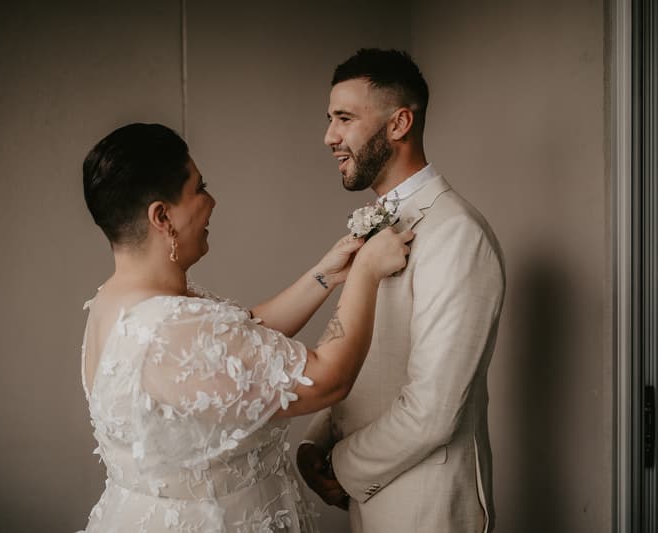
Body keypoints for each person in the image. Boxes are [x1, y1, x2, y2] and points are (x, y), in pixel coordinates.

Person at [77, 122, 413, 532]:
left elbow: (236, 342)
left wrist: (324, 276)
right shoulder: (169, 327)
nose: (212, 201)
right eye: (199, 188)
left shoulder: (120, 302)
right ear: (162, 216)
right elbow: (326, 380)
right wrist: (366, 274)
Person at [297, 49, 506, 533]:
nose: (330, 137)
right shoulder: (379, 226)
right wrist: (315, 442)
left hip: (425, 508)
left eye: (345, 119)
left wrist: (340, 467)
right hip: (371, 496)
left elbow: (433, 411)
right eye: (330, 119)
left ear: (399, 124)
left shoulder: (458, 234)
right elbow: (371, 360)